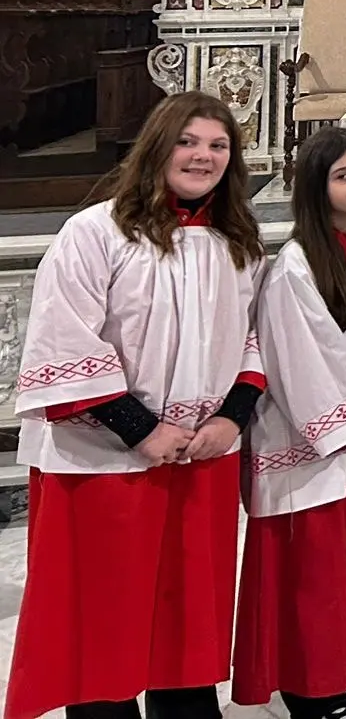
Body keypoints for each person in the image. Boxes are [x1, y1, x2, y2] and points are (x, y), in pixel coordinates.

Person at [6, 93, 267, 719]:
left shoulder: (238, 243)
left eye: (218, 146)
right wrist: (141, 430)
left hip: (199, 458)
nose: (202, 156)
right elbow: (64, 337)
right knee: (105, 621)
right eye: (189, 141)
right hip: (105, 463)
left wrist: (230, 418)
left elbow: (254, 340)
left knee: (187, 616)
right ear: (157, 145)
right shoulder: (96, 232)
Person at [232, 127, 346, 719]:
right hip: (314, 450)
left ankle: (338, 675)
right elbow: (303, 362)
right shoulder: (298, 266)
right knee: (313, 581)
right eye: (343, 175)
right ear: (315, 186)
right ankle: (314, 693)